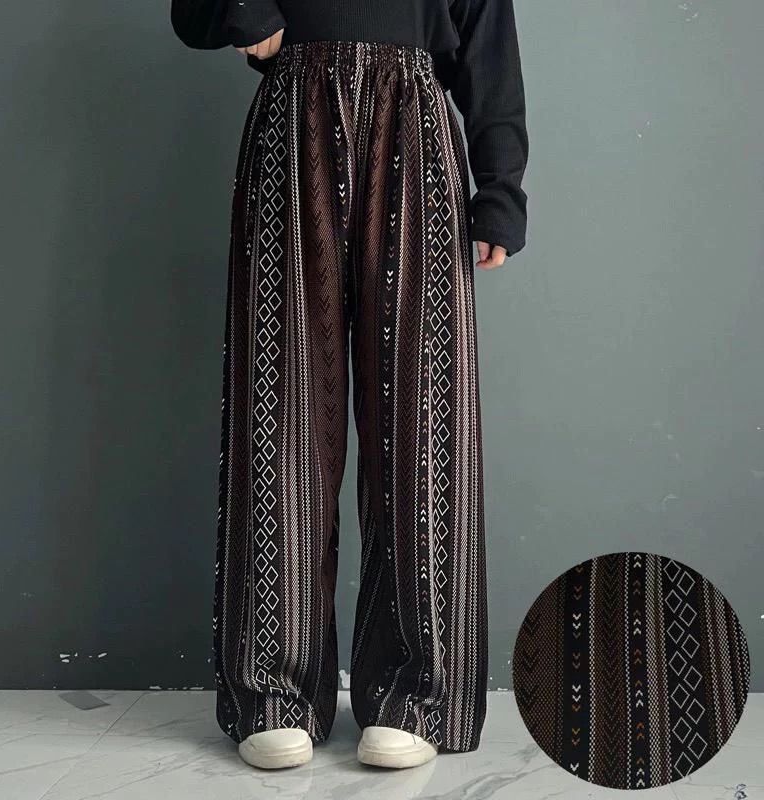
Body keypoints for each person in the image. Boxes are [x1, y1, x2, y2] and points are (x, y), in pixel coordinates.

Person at [170, 0, 529, 771]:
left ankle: (415, 691)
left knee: (423, 418)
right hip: (293, 128)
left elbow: (489, 47)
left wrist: (500, 188)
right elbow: (193, 14)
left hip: (417, 132)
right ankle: (274, 688)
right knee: (281, 406)